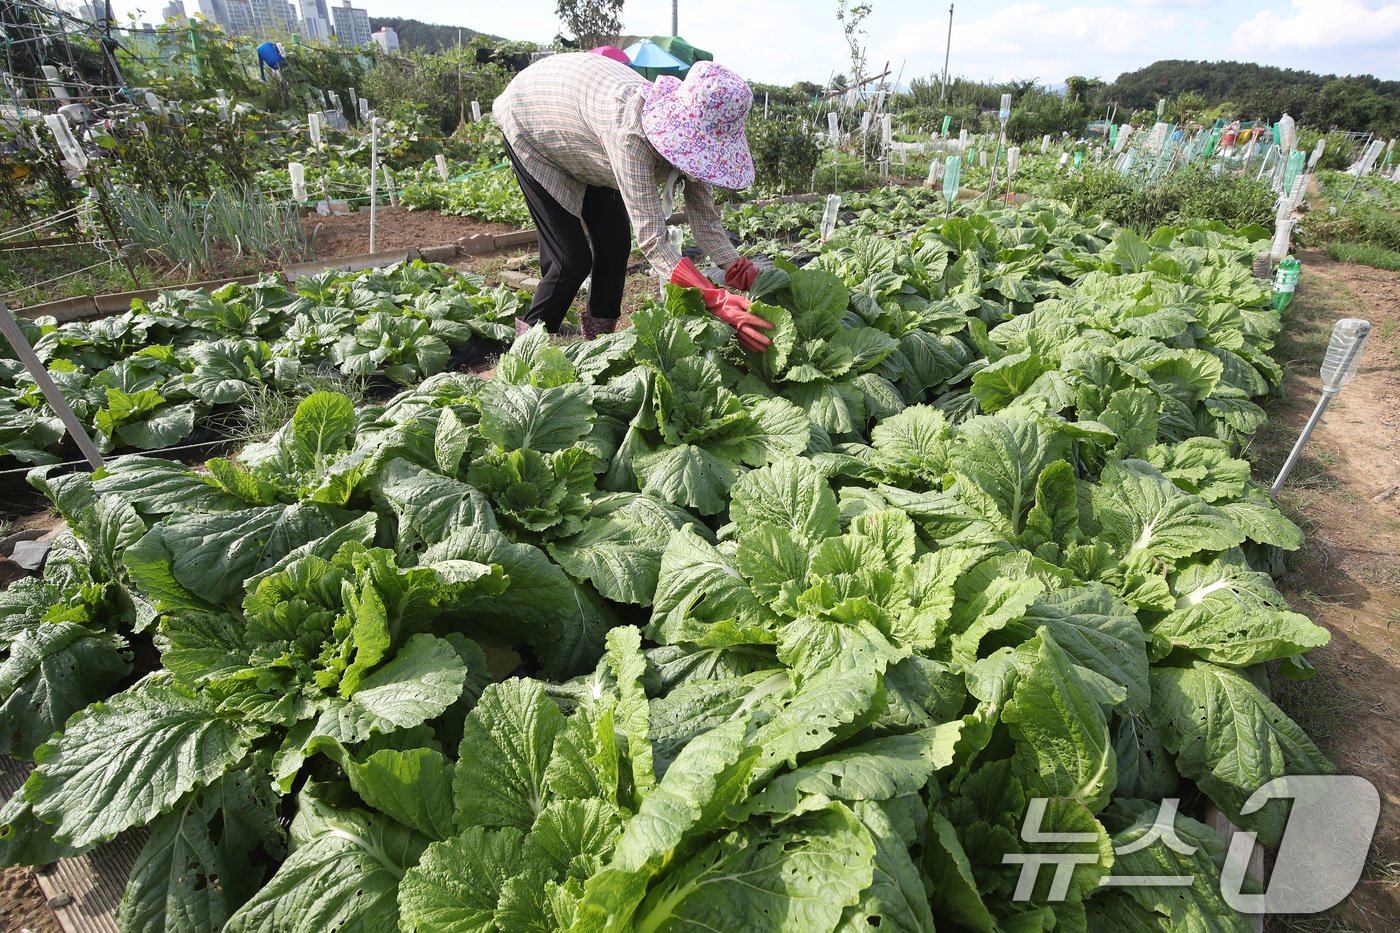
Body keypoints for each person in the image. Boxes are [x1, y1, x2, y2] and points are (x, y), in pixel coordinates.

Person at [492, 53, 771, 350]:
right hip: (533, 117)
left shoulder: (697, 141)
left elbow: (705, 219)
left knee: (614, 243)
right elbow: (653, 240)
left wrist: (735, 265)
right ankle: (524, 352)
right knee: (570, 260)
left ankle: (599, 344)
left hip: (587, 127)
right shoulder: (632, 135)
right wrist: (713, 298)